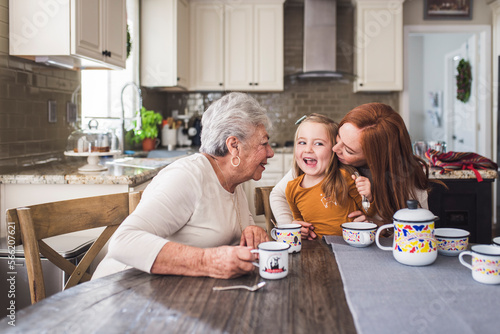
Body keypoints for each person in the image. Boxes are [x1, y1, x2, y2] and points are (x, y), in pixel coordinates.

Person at [93, 92, 273, 280]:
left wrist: (252, 231)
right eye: (264, 143)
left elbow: (235, 225)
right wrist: (208, 261)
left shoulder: (233, 181)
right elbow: (123, 242)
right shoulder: (187, 175)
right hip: (121, 291)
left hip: (168, 295)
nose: (271, 152)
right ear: (234, 146)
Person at [271, 103, 430, 239]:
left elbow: (418, 235)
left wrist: (377, 225)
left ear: (374, 158)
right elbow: (279, 194)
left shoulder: (406, 179)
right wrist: (290, 228)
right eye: (338, 138)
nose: (334, 148)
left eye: (348, 150)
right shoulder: (320, 164)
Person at [286, 114, 375, 238]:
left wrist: (368, 197)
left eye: (318, 144)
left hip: (351, 246)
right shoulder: (291, 188)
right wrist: (300, 230)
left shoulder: (345, 177)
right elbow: (300, 223)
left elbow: (368, 213)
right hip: (318, 250)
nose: (308, 149)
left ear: (334, 150)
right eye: (302, 142)